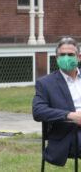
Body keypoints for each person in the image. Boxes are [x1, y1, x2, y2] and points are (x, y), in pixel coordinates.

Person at [33, 37, 81, 166]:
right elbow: (38, 111)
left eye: (70, 55)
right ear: (56, 58)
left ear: (79, 57)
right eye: (62, 55)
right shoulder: (46, 83)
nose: (66, 58)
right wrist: (71, 115)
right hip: (68, 134)